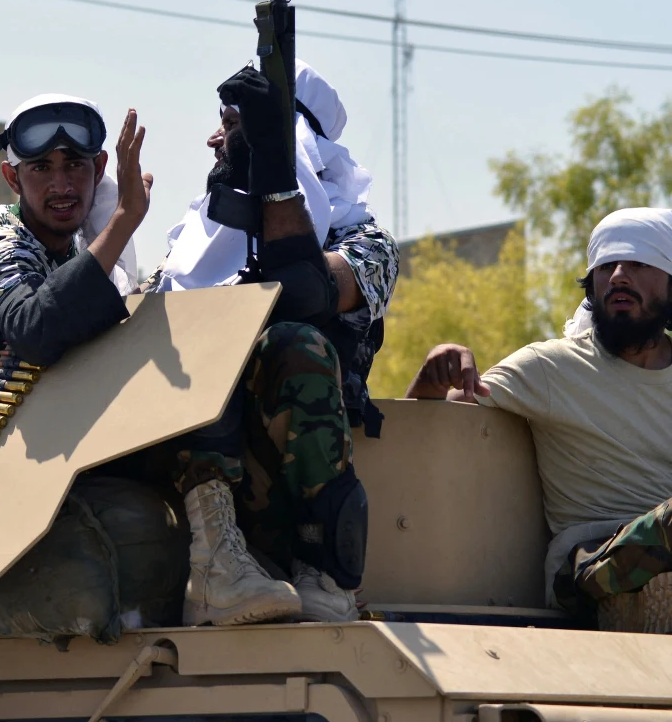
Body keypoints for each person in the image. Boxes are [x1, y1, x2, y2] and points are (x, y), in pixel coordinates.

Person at [141, 62, 396, 626]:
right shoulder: (191, 250)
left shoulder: (365, 241)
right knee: (179, 330)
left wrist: (278, 177)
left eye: (232, 124)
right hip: (190, 477)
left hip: (288, 481)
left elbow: (306, 294)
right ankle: (215, 567)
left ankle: (324, 573)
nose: (214, 139)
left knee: (294, 341)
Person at [405, 207, 672, 625]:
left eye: (638, 263)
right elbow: (425, 422)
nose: (619, 276)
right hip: (588, 566)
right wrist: (433, 374)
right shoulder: (549, 368)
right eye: (606, 267)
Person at [0, 94, 151, 373]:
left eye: (75, 164)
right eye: (41, 168)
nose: (61, 186)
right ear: (13, 178)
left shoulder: (77, 245)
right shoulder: (1, 242)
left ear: (99, 169)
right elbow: (33, 332)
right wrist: (125, 218)